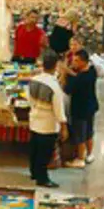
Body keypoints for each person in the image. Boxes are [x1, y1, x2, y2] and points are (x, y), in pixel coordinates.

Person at [28, 50, 68, 188]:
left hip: (34, 118)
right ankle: (42, 178)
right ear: (56, 65)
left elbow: (30, 100)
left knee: (34, 148)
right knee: (44, 153)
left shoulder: (34, 80)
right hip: (48, 122)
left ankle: (33, 172)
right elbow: (59, 109)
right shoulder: (54, 86)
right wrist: (63, 127)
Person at [63, 49, 100, 168]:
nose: (73, 63)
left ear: (84, 62)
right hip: (91, 107)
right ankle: (89, 155)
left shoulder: (79, 79)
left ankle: (80, 159)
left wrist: (66, 73)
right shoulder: (92, 71)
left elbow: (67, 89)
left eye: (76, 61)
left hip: (80, 110)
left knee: (80, 135)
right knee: (89, 132)